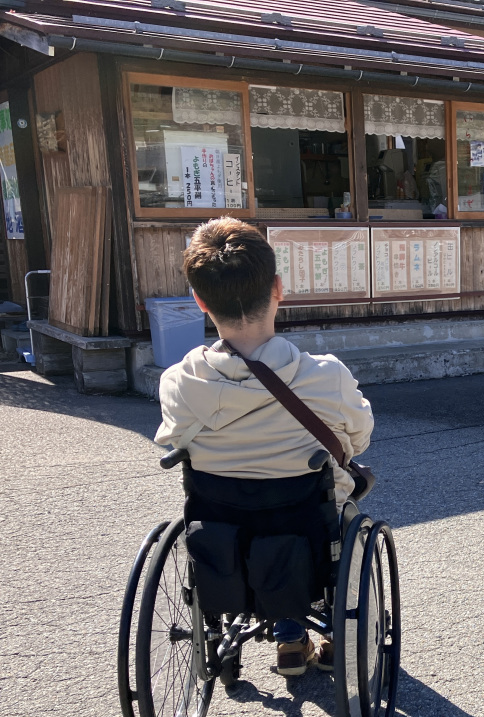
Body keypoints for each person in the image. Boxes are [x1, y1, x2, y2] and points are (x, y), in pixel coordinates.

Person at [155, 217, 374, 676]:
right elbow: (356, 438)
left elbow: (175, 441)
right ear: (278, 288)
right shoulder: (326, 377)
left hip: (220, 533)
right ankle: (307, 635)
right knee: (339, 502)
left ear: (199, 300)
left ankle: (289, 636)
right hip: (304, 525)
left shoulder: (177, 383)